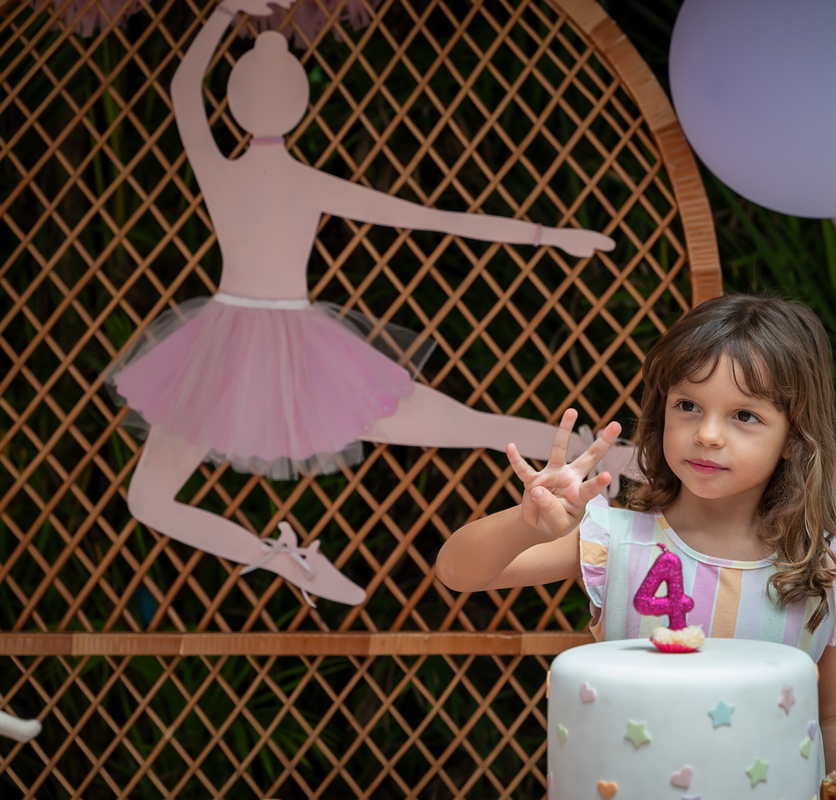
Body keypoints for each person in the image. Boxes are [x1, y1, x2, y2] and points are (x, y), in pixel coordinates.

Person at [109, 0, 617, 606]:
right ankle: (612, 458)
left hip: (245, 347)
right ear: (297, 103)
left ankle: (280, 558)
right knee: (470, 426)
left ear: (237, 103)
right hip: (273, 347)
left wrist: (223, 14)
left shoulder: (225, 172)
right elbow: (434, 218)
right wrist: (547, 236)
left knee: (150, 499)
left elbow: (184, 91)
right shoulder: (294, 181)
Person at [436, 293, 836, 797]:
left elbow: (832, 719)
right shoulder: (613, 539)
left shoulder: (820, 563)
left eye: (744, 415)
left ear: (794, 437)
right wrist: (528, 525)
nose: (708, 435)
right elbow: (456, 572)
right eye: (688, 406)